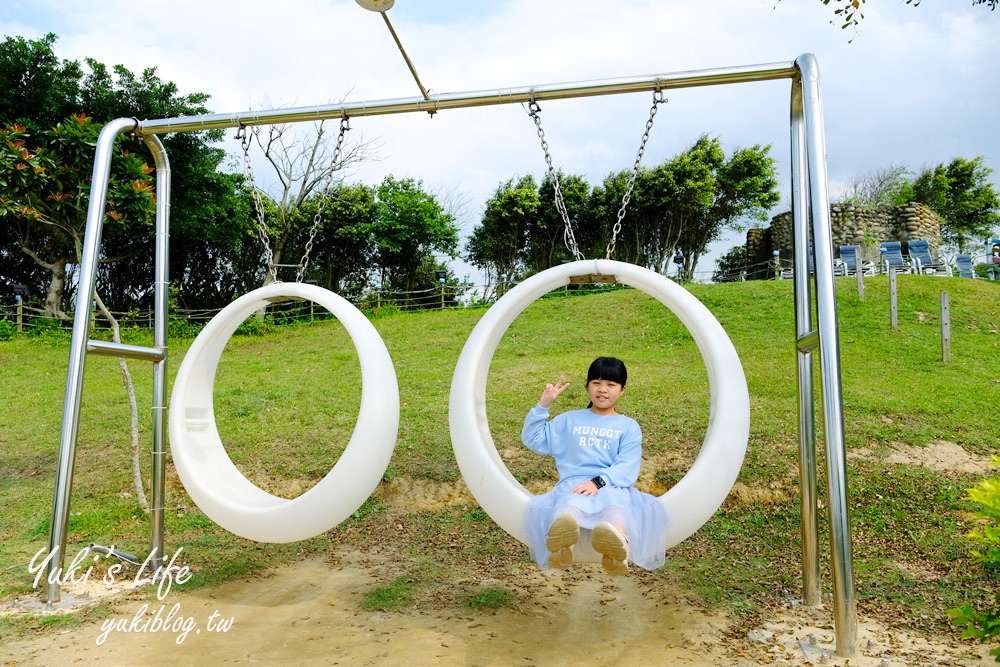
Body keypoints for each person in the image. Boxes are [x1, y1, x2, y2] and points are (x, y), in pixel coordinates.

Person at [521, 356, 668, 575]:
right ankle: (562, 547)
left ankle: (617, 551)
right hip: (574, 484)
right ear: (588, 387)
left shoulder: (628, 427)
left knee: (615, 508)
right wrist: (544, 404)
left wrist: (599, 482)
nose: (603, 390)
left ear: (622, 390)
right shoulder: (569, 420)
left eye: (611, 384)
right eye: (596, 383)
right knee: (568, 507)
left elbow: (626, 465)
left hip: (611, 484)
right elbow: (532, 438)